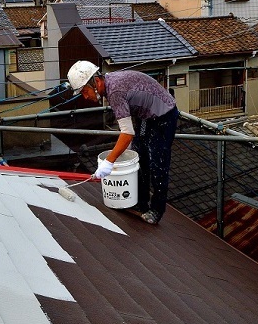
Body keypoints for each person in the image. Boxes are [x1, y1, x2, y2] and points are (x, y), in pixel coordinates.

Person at [67, 60, 179, 225]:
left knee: (158, 164)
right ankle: (141, 204)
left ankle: (157, 210)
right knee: (139, 157)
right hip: (146, 115)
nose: (85, 97)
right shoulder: (110, 83)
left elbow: (127, 134)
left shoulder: (114, 92)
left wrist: (109, 162)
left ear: (96, 82)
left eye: (85, 91)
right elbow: (128, 134)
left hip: (164, 114)